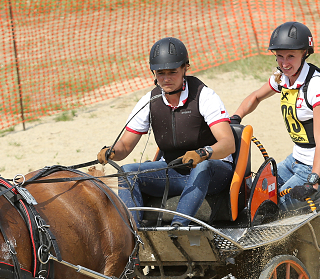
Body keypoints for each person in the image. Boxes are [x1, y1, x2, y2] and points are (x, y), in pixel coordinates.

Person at [97, 37, 235, 227]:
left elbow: (228, 143)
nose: (166, 78)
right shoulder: (149, 100)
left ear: (185, 68)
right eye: (161, 73)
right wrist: (111, 151)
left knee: (203, 167)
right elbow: (126, 146)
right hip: (174, 172)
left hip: (214, 172)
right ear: (153, 72)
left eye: (173, 72)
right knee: (128, 173)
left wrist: (203, 154)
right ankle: (132, 234)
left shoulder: (204, 96)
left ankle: (177, 228)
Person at [232, 21, 320, 212]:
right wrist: (235, 118)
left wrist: (313, 181)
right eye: (280, 57)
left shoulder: (317, 86)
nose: (284, 63)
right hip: (295, 160)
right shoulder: (283, 76)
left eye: (291, 56)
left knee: (271, 210)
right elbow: (256, 96)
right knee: (255, 197)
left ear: (304, 53)